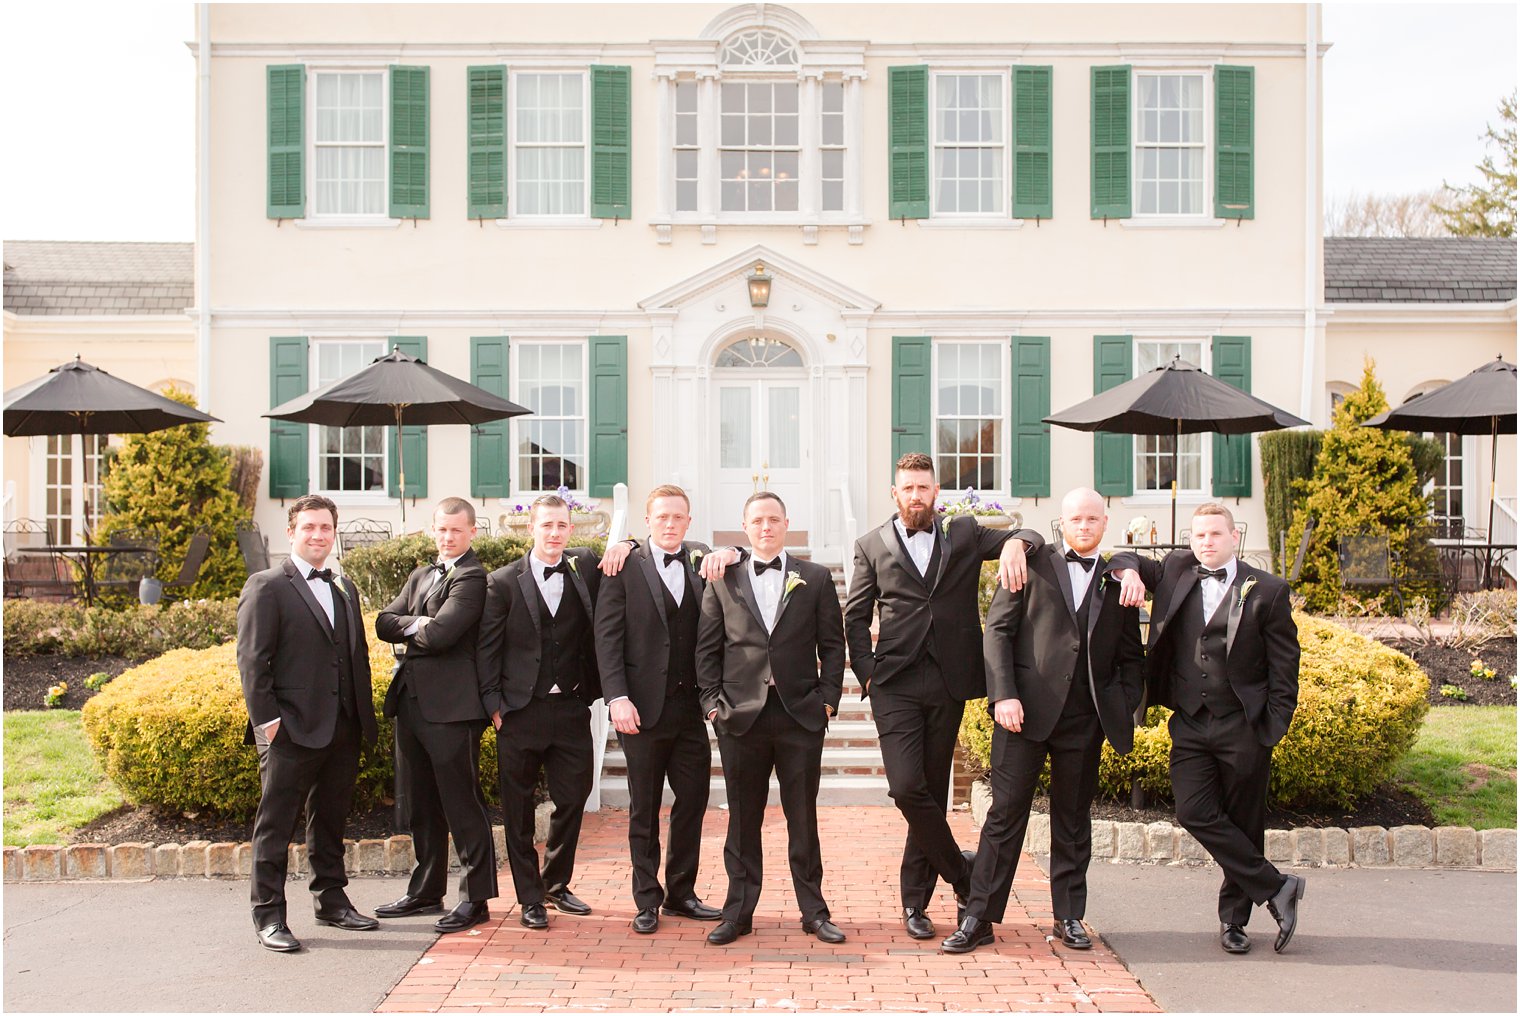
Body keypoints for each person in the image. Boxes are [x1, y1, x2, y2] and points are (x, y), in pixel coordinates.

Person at [843, 452, 1039, 940]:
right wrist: (867, 674)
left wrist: (1015, 544)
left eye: (924, 487)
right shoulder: (870, 545)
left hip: (950, 679)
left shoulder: (966, 533)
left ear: (936, 492)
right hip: (895, 682)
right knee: (908, 788)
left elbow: (1030, 534)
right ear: (895, 493)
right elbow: (854, 615)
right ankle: (961, 873)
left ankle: (915, 904)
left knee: (928, 791)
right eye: (907, 488)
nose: (916, 495)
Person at [942, 488, 1143, 954]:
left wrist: (1120, 701)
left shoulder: (1119, 579)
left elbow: (1132, 655)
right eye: (1077, 518)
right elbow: (999, 632)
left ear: (1105, 522)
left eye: (1093, 518)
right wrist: (1004, 696)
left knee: (1072, 820)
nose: (1085, 525)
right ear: (1063, 521)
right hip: (1022, 715)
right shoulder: (1031, 563)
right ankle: (978, 916)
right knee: (1004, 817)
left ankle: (1068, 916)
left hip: (1085, 720)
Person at [1110, 502, 1305, 954]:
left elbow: (1285, 664)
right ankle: (1277, 887)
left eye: (1215, 534)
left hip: (1243, 725)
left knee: (1243, 822)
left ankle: (1234, 922)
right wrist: (1130, 574)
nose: (1206, 543)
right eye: (1198, 536)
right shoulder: (1177, 569)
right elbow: (1124, 557)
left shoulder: (1267, 590)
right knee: (1193, 812)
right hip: (1191, 723)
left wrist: (1273, 725)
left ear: (1234, 536)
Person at [696, 492, 847, 946]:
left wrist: (828, 701)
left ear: (787, 523)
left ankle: (814, 912)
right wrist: (711, 704)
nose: (766, 527)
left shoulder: (815, 577)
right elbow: (707, 647)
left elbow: (833, 646)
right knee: (742, 820)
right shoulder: (722, 578)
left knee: (803, 817)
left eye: (774, 520)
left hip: (801, 715)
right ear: (745, 527)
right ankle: (737, 912)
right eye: (758, 520)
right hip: (741, 717)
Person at [236, 494, 379, 952]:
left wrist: (362, 718)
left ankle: (331, 901)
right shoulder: (267, 585)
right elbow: (253, 663)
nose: (318, 535)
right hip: (288, 729)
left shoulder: (345, 586)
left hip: (341, 727)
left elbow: (354, 657)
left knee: (331, 820)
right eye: (309, 527)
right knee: (275, 824)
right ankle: (269, 916)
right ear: (292, 532)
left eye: (325, 528)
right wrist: (269, 726)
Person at [594, 485, 726, 934]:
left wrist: (728, 551)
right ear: (647, 522)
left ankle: (682, 894)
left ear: (689, 522)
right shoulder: (623, 563)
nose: (670, 524)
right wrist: (616, 697)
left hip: (690, 710)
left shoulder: (700, 557)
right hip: (640, 710)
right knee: (643, 808)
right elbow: (607, 637)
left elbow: (741, 558)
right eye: (662, 517)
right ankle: (646, 899)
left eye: (678, 517)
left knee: (692, 803)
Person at [477, 493, 606, 930]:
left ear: (571, 530)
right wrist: (494, 706)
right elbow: (487, 648)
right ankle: (529, 895)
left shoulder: (584, 566)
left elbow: (637, 557)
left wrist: (625, 544)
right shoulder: (502, 581)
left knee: (573, 798)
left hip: (570, 707)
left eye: (561, 526)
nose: (554, 533)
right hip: (519, 711)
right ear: (530, 528)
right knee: (517, 808)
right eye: (546, 525)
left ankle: (556, 882)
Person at [373, 497, 497, 933]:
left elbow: (444, 634)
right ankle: (426, 890)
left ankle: (476, 898)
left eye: (456, 531)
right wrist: (419, 623)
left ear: (472, 532)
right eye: (442, 530)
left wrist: (414, 626)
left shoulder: (473, 577)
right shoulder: (421, 574)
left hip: (453, 707)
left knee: (462, 802)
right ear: (434, 530)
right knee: (421, 802)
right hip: (410, 701)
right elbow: (382, 622)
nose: (448, 538)